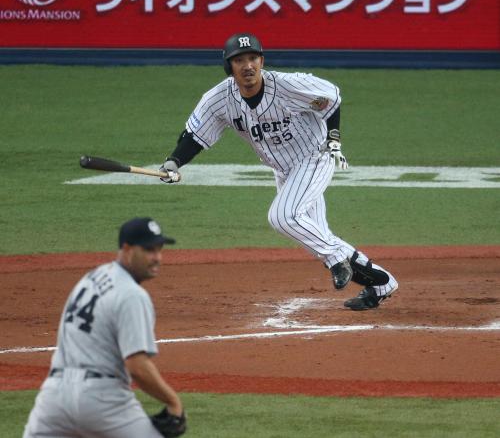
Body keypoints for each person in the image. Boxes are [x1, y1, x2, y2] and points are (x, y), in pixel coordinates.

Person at [159, 33, 398, 311]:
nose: (247, 66)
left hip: (313, 158)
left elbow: (331, 96)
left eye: (252, 59)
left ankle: (336, 259)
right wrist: (174, 162)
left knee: (283, 217)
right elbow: (194, 135)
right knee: (314, 234)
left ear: (261, 61)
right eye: (239, 60)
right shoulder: (219, 99)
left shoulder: (286, 85)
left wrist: (334, 135)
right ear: (229, 67)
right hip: (283, 169)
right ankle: (381, 282)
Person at [23, 217, 186, 438]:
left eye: (159, 250)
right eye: (149, 250)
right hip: (101, 400)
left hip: (53, 398)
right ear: (127, 249)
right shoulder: (132, 295)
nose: (157, 258)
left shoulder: (92, 277)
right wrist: (173, 402)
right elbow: (137, 366)